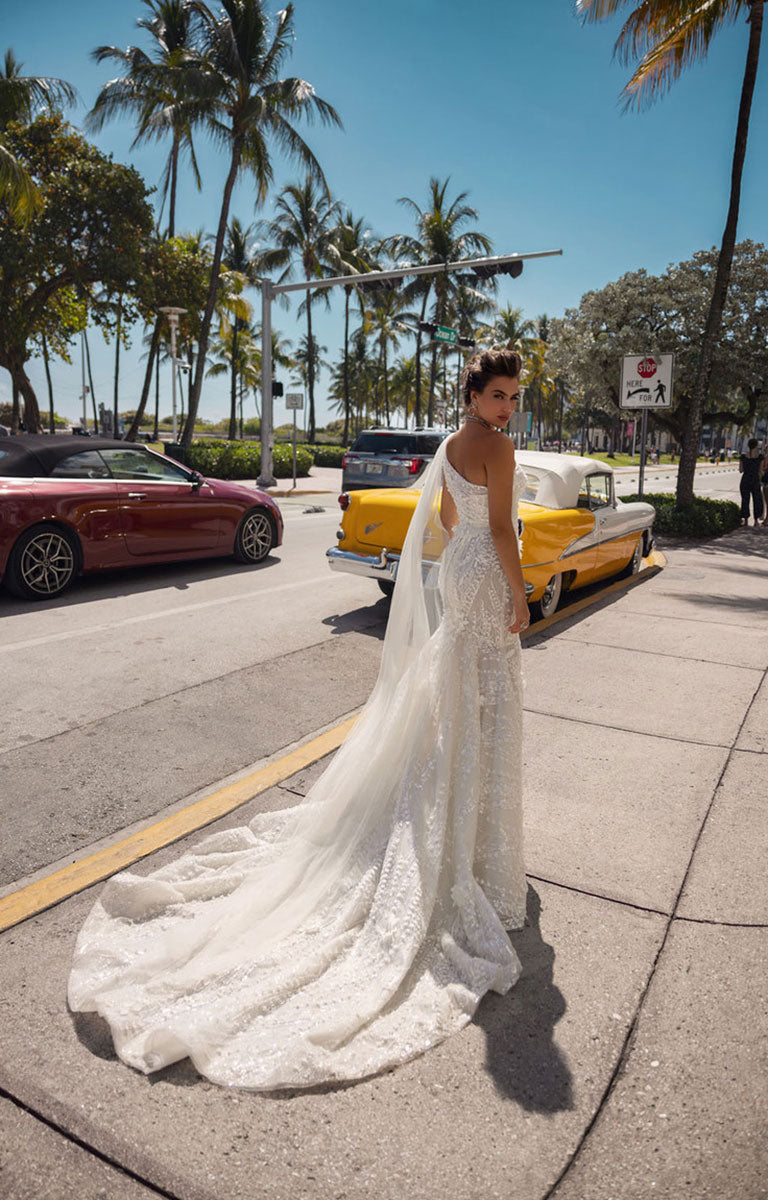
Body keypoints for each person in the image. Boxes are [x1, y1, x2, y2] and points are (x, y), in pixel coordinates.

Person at [67, 347, 530, 1092]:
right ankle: (474, 855)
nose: (508, 407)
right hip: (488, 579)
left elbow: (447, 518)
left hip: (458, 574)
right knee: (482, 711)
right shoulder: (499, 448)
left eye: (513, 397)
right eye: (500, 395)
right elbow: (503, 531)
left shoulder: (449, 445)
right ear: (476, 395)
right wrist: (521, 596)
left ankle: (454, 836)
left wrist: (474, 556)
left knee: (454, 710)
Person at [739, 437, 765, 527]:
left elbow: (740, 470)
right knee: (757, 500)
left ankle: (745, 521)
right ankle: (756, 521)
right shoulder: (760, 458)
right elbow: (761, 471)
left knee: (745, 500)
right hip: (755, 480)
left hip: (745, 480)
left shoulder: (743, 457)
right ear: (756, 446)